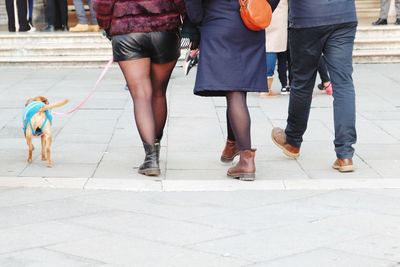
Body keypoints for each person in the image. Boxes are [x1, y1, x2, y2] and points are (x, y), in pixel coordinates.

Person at [185, 0, 280, 181]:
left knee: (235, 91)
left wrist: (199, 19)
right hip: (251, 24)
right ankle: (233, 143)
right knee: (235, 88)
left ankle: (246, 159)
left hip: (218, 22)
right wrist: (259, 8)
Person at [93, 0, 186, 176]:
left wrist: (106, 25)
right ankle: (155, 147)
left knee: (141, 95)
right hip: (164, 28)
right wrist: (187, 20)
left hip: (127, 29)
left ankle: (151, 158)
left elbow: (102, 2)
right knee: (158, 93)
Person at [271, 0, 358, 172]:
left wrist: (264, 9)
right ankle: (345, 155)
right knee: (343, 85)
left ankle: (293, 142)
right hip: (343, 15)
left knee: (302, 82)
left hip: (307, 16)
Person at [260, 0, 289, 97]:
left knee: (268, 45)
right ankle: (266, 88)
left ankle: (264, 86)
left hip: (263, 10)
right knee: (272, 47)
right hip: (278, 12)